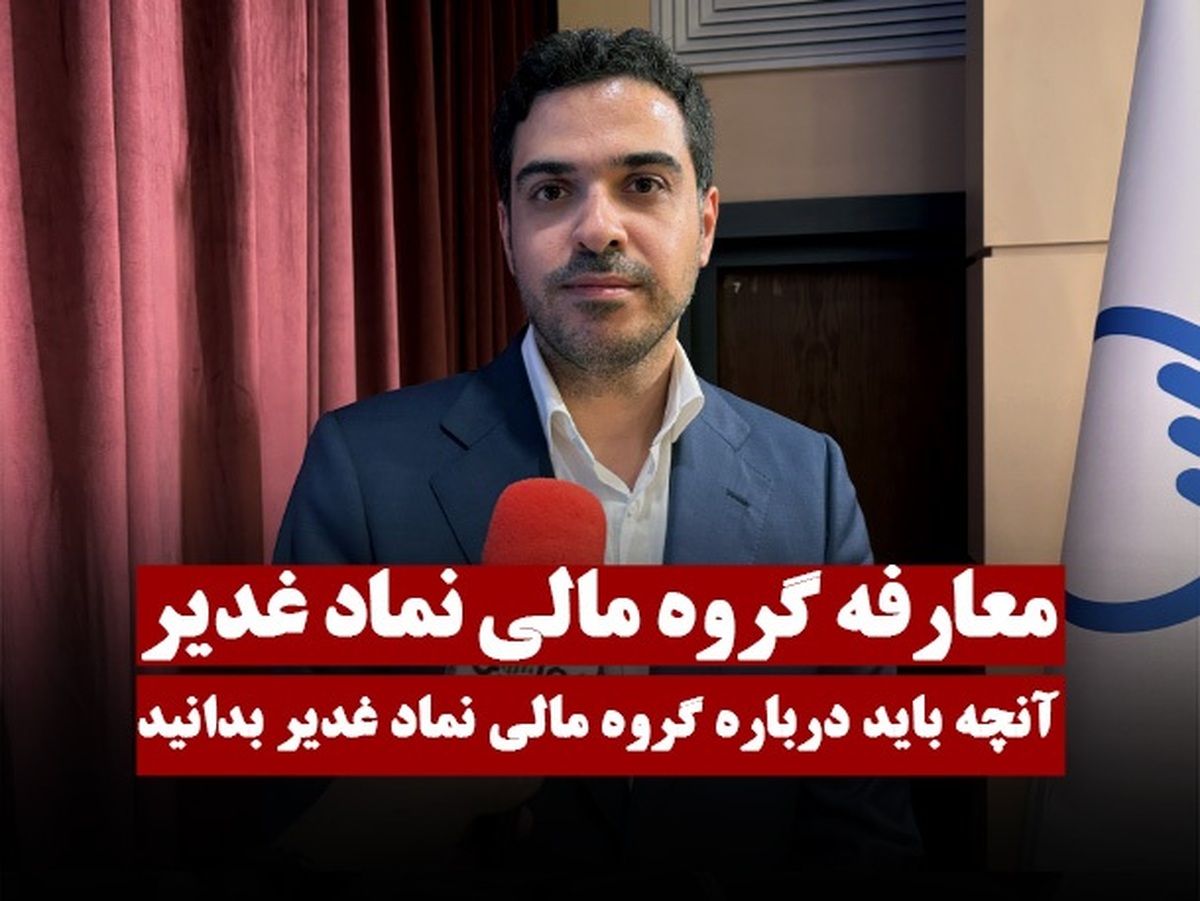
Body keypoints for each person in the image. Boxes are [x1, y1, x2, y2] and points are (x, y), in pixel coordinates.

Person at [271, 26, 922, 883]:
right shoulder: (358, 471)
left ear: (705, 223)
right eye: (552, 191)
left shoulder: (813, 484)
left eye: (643, 184)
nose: (597, 228)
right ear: (507, 230)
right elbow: (284, 823)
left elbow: (866, 841)